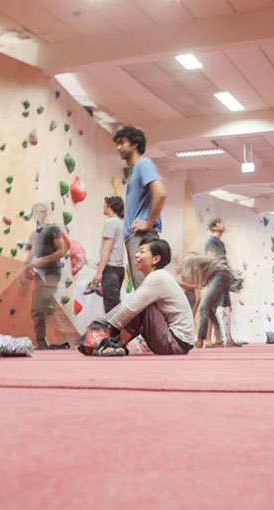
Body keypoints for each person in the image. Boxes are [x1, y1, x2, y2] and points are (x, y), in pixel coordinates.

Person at [101, 238, 193, 355]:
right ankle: (117, 343)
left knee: (142, 307)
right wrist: (106, 324)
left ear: (156, 259)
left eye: (142, 252)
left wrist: (104, 328)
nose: (137, 255)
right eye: (137, 251)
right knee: (139, 306)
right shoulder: (158, 277)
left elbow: (129, 308)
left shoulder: (157, 277)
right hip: (176, 342)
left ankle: (116, 344)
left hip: (176, 344)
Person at [113, 125, 167, 289]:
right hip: (135, 238)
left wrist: (148, 222)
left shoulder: (143, 164)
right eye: (117, 143)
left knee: (146, 292)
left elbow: (161, 193)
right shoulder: (134, 170)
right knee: (142, 290)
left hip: (142, 236)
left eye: (122, 142)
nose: (118, 147)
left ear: (135, 143)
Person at [23, 203, 66, 350]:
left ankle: (68, 335)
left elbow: (62, 251)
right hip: (40, 275)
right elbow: (31, 255)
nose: (38, 214)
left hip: (51, 272)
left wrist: (43, 260)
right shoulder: (35, 234)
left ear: (46, 213)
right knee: (36, 308)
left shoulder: (52, 229)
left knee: (44, 303)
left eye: (41, 211)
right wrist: (26, 268)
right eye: (35, 212)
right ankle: (41, 342)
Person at [179, 253, 235, 349]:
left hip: (220, 275)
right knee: (208, 309)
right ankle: (219, 339)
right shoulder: (202, 262)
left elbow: (197, 280)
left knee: (204, 308)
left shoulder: (191, 260)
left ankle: (200, 340)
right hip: (222, 275)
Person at [204, 218, 241, 347]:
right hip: (216, 277)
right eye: (220, 223)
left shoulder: (221, 243)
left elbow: (223, 259)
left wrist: (231, 271)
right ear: (214, 227)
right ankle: (208, 339)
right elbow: (211, 259)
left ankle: (228, 338)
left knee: (226, 306)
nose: (223, 224)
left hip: (223, 276)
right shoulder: (211, 242)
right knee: (213, 307)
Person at [89, 195, 125, 313]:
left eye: (105, 204)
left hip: (111, 271)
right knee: (114, 307)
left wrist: (99, 273)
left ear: (110, 206)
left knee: (111, 311)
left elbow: (107, 249)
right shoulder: (120, 223)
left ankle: (114, 332)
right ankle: (116, 331)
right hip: (119, 270)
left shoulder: (111, 223)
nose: (103, 206)